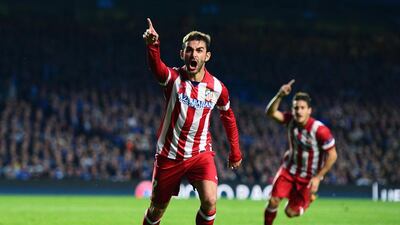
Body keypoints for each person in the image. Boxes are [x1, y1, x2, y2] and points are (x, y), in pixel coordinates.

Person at [141, 18, 242, 225]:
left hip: (200, 154)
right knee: (156, 211)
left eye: (199, 50)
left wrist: (235, 151)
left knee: (210, 200)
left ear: (207, 56)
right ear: (182, 54)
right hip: (169, 155)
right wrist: (153, 45)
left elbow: (228, 117)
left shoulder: (217, 88)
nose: (194, 54)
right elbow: (156, 67)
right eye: (189, 50)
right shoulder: (173, 79)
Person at [263, 80, 337, 225]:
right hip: (289, 170)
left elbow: (333, 155)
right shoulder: (290, 120)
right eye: (296, 108)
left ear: (309, 110)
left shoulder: (320, 130)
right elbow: (270, 113)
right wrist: (279, 95)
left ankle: (309, 198)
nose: (299, 111)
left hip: (309, 177)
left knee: (290, 213)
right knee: (273, 201)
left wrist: (318, 178)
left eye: (303, 108)